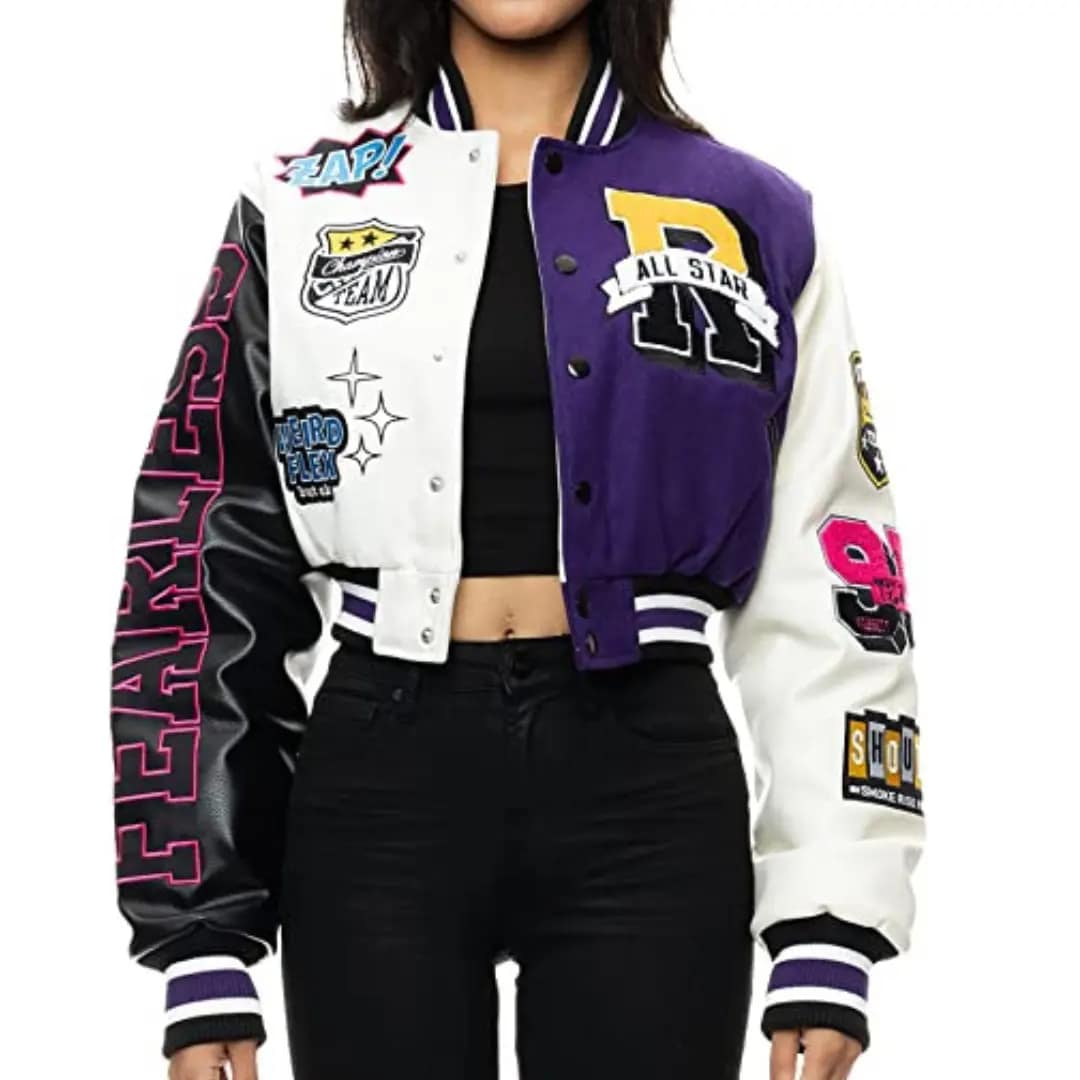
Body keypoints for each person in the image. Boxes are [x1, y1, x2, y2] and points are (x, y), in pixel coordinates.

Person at [109, 2, 924, 1078]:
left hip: (648, 787)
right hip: (379, 787)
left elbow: (834, 568)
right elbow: (206, 555)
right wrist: (201, 940)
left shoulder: (753, 213)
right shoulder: (297, 203)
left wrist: (831, 922)